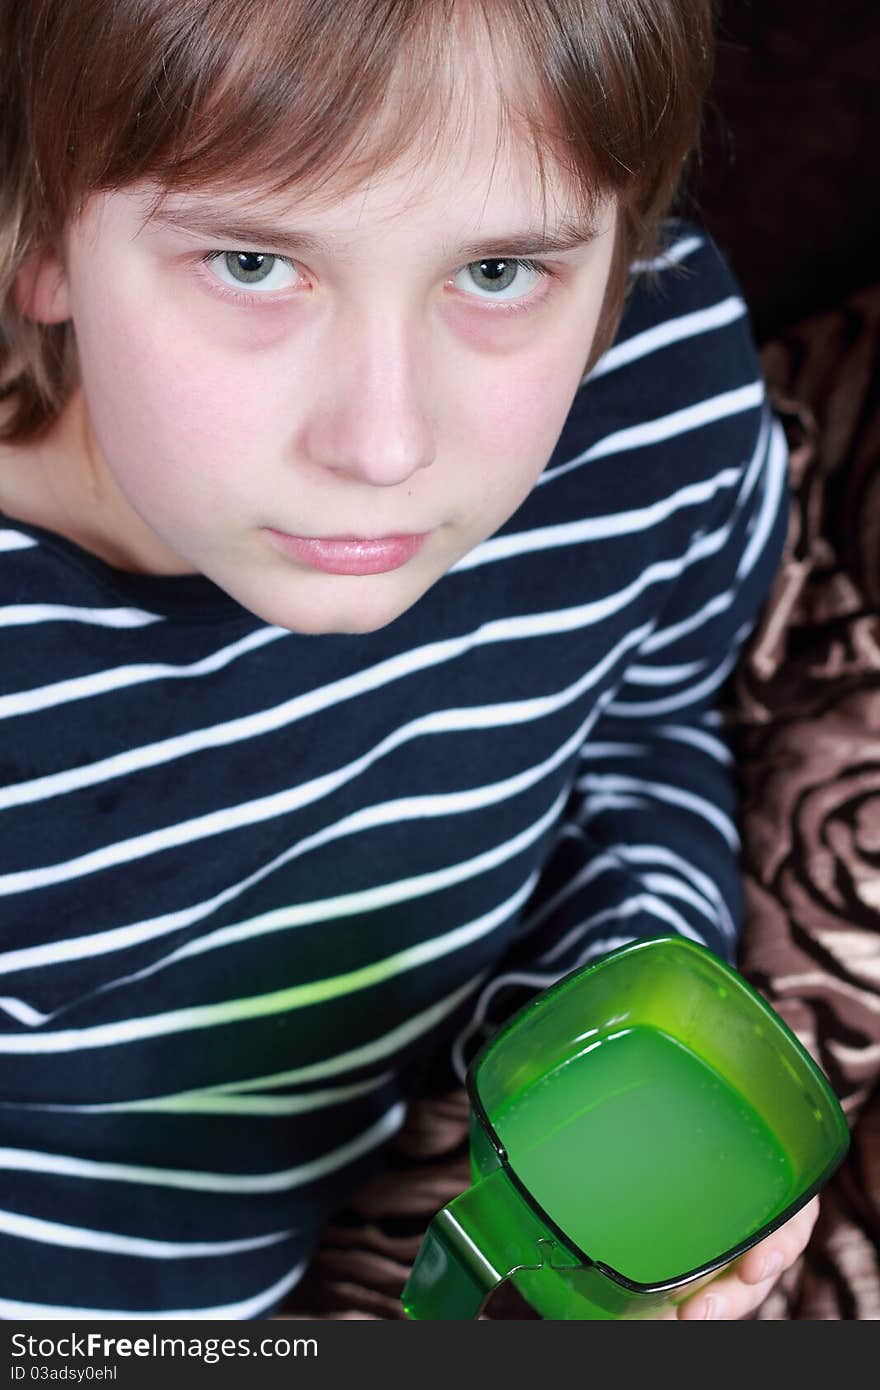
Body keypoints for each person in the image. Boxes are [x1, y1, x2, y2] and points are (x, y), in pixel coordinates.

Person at [0, 0, 818, 1320]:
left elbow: (636, 721)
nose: (383, 447)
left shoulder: (652, 397)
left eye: (497, 274)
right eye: (255, 266)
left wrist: (608, 1048)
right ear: (40, 228)